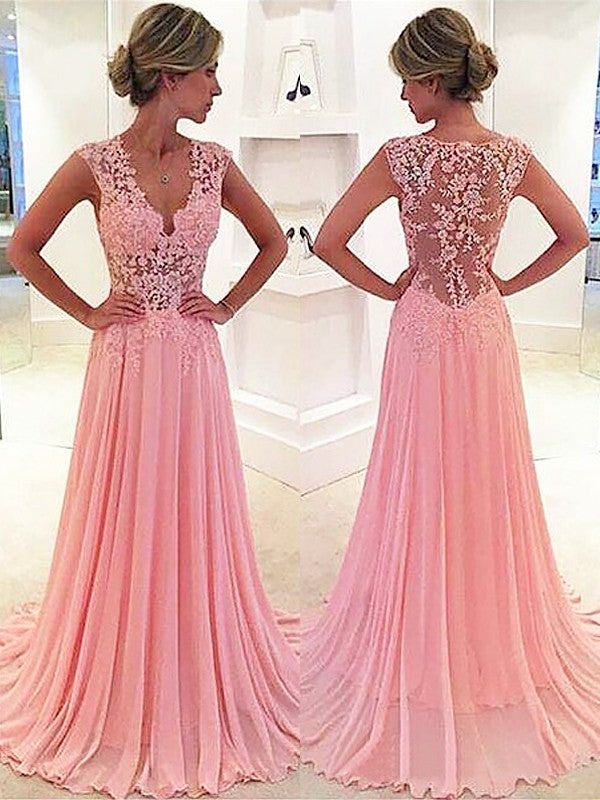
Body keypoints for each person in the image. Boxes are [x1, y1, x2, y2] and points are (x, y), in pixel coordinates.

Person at [300, 6, 600, 799]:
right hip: (484, 330)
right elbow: (575, 233)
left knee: (422, 473)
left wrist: (389, 287)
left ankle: (424, 620)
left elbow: (328, 241)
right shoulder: (511, 155)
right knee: (484, 477)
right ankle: (483, 623)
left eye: (405, 80)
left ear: (433, 79)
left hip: (425, 326)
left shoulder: (402, 158)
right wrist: (507, 284)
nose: (401, 95)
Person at [0, 4, 298, 798]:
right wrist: (87, 310)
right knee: (126, 503)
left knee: (189, 501)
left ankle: (190, 642)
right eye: (209, 72)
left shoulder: (215, 163)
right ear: (170, 76)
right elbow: (22, 246)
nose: (217, 88)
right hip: (126, 365)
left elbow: (274, 241)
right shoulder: (94, 163)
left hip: (194, 361)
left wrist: (225, 303)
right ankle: (122, 649)